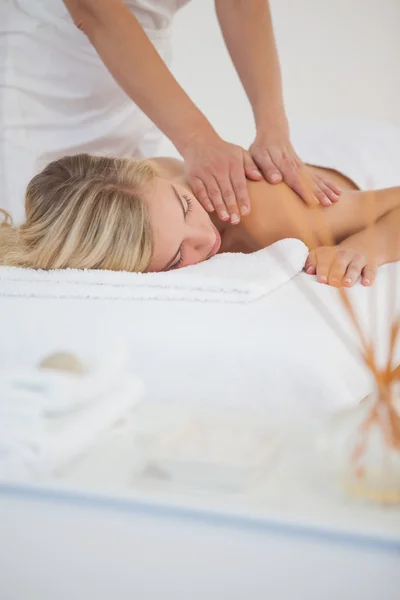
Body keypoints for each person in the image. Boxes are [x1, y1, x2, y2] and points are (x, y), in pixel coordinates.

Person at [0, 0, 340, 225]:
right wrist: (197, 138)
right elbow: (94, 9)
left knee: (130, 236)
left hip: (144, 78)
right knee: (40, 228)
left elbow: (240, 3)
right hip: (45, 70)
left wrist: (274, 127)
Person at [1, 121, 399, 287]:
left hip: (345, 167)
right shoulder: (101, 218)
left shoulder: (263, 207)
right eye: (177, 258)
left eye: (187, 206)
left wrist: (364, 247)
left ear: (167, 180)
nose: (206, 237)